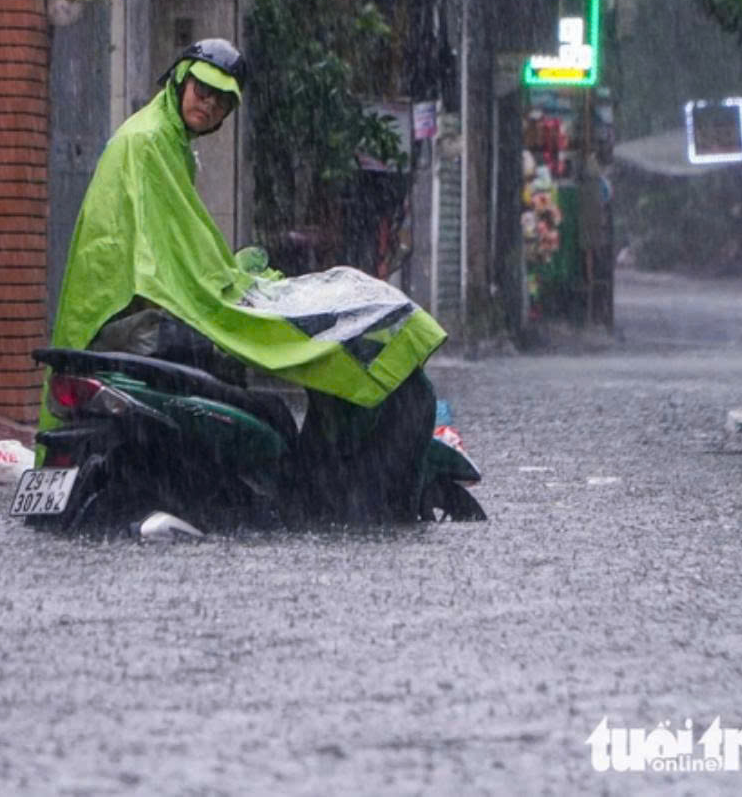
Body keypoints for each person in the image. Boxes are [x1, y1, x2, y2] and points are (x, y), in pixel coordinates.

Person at [45, 38, 447, 520]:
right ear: (179, 80)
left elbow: (179, 241)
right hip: (129, 317)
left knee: (241, 377)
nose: (208, 102)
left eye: (221, 100)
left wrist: (230, 272)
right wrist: (229, 287)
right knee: (269, 403)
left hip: (126, 314)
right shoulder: (148, 141)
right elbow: (170, 257)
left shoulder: (163, 139)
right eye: (201, 89)